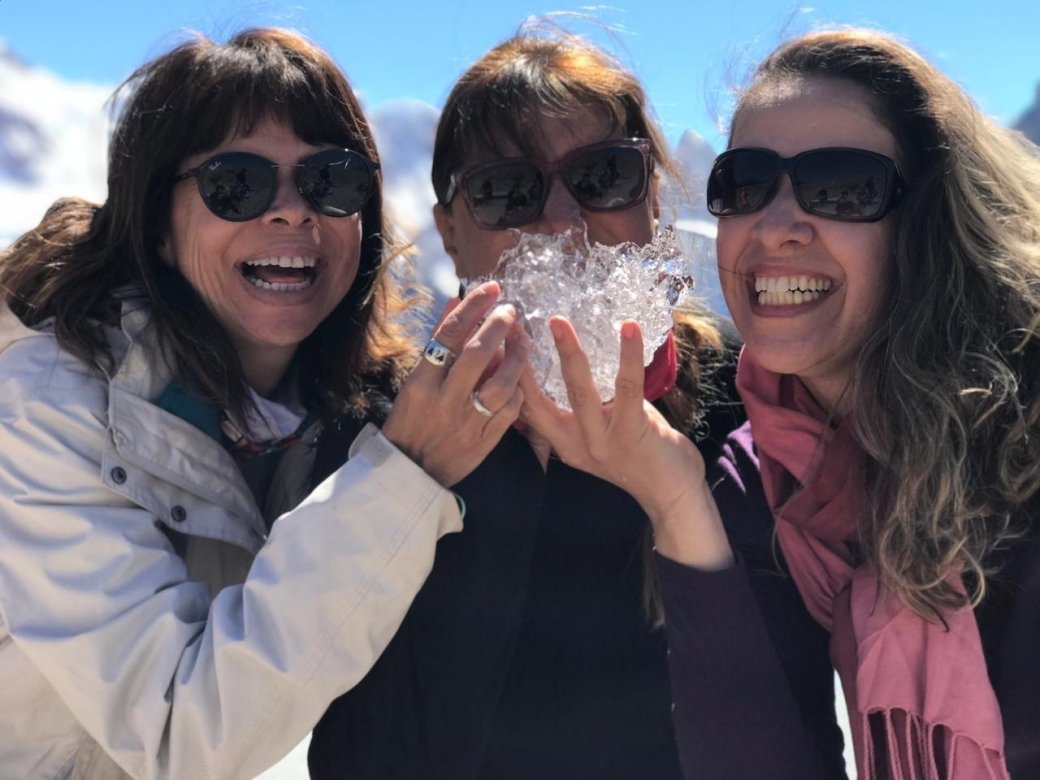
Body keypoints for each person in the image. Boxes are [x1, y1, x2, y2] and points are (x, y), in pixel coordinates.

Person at [0, 28, 529, 779]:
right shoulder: (46, 406)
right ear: (156, 221)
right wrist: (407, 472)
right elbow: (184, 732)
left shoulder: (340, 410)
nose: (290, 212)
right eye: (236, 183)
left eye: (331, 181)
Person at [520, 26, 1040, 780]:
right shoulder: (771, 475)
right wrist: (675, 500)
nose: (775, 226)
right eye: (745, 184)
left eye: (842, 188)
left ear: (927, 220)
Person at [307, 29, 744, 779]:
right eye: (507, 191)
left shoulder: (745, 407)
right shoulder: (377, 428)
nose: (561, 220)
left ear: (652, 203)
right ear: (449, 232)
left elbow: (783, 710)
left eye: (603, 176)